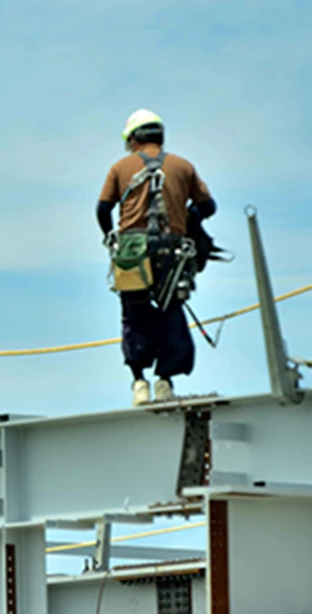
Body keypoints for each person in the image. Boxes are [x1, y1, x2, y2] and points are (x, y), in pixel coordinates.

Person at [96, 109, 217, 406]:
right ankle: (165, 381)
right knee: (171, 312)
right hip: (172, 252)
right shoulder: (182, 166)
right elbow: (209, 205)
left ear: (132, 139)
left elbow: (102, 209)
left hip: (132, 253)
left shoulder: (120, 167)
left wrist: (110, 236)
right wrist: (188, 216)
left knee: (134, 315)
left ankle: (139, 382)